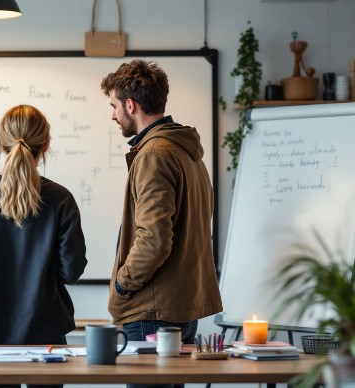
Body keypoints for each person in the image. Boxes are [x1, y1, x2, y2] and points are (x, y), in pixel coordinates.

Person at [100, 60, 223, 388]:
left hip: (151, 311)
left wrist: (123, 285)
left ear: (130, 105)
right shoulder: (186, 152)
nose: (113, 115)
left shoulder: (154, 155)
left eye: (114, 106)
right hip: (180, 307)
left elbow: (154, 238)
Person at [0, 104, 87, 388]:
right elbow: (71, 270)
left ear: (1, 142)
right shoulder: (61, 199)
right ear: (46, 144)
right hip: (47, 330)